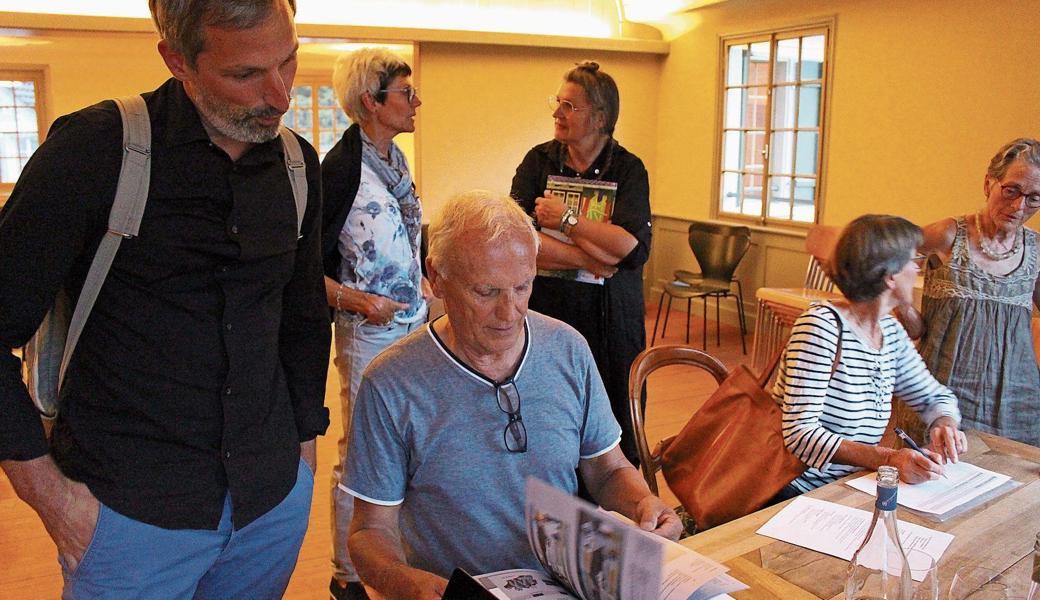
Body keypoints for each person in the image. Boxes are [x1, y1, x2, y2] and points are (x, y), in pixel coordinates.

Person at [0, 1, 330, 598]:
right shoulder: (95, 151)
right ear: (177, 60)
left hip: (270, 502)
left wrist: (303, 452)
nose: (281, 96)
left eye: (289, 61)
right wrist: (50, 499)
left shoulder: (297, 165)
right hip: (127, 517)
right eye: (246, 75)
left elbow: (303, 320)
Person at [342, 190, 681, 600]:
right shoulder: (392, 383)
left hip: (567, 584)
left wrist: (645, 504)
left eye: (522, 287)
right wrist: (402, 580)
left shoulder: (567, 349)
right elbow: (369, 530)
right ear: (436, 276)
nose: (510, 313)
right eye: (485, 293)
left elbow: (606, 470)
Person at [320, 47, 426, 600]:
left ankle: (393, 555)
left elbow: (409, 241)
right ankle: (348, 574)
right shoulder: (339, 170)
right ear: (371, 101)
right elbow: (304, 271)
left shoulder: (396, 164)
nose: (416, 103)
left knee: (409, 449)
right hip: (369, 334)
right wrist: (362, 303)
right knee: (361, 455)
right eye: (406, 93)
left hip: (414, 327)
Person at [510, 61, 651, 468]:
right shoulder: (538, 162)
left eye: (569, 106)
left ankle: (617, 509)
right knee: (550, 416)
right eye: (559, 103)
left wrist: (567, 221)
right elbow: (522, 239)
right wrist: (590, 255)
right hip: (548, 316)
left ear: (600, 117)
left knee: (614, 421)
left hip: (612, 324)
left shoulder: (627, 168)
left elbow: (629, 248)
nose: (557, 113)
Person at [773, 215, 967, 495]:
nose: (917, 270)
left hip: (848, 485)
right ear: (889, 276)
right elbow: (801, 435)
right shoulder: (820, 326)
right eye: (913, 262)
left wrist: (944, 423)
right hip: (793, 487)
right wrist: (887, 459)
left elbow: (934, 397)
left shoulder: (889, 331)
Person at [914, 138, 1040, 447]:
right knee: (932, 486)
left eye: (1034, 198)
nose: (1019, 206)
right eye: (1011, 190)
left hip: (1017, 405)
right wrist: (906, 314)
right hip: (945, 401)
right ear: (989, 183)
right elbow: (883, 267)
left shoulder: (1036, 249)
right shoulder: (946, 235)